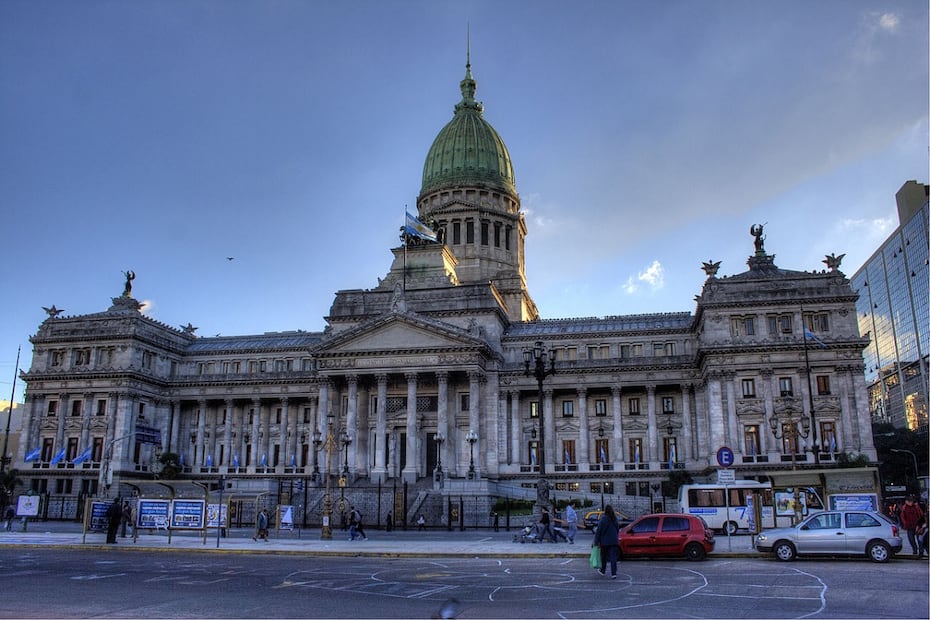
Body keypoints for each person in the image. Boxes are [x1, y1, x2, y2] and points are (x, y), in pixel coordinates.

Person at [594, 504, 621, 578]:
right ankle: (614, 573)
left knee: (604, 557)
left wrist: (596, 542)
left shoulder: (603, 519)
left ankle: (603, 571)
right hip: (613, 541)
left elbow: (598, 531)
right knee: (613, 558)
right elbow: (617, 529)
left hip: (604, 541)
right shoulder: (614, 519)